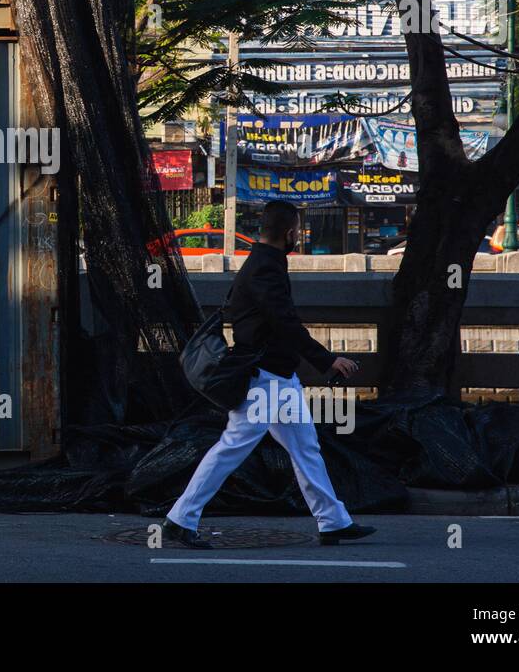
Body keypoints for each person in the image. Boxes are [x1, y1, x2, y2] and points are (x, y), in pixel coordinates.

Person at [161, 200, 377, 549]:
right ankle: (180, 519)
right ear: (290, 233)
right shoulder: (266, 269)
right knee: (232, 449)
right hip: (266, 381)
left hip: (278, 380)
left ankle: (333, 521)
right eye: (297, 232)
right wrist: (328, 360)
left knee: (305, 447)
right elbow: (286, 325)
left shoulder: (263, 264)